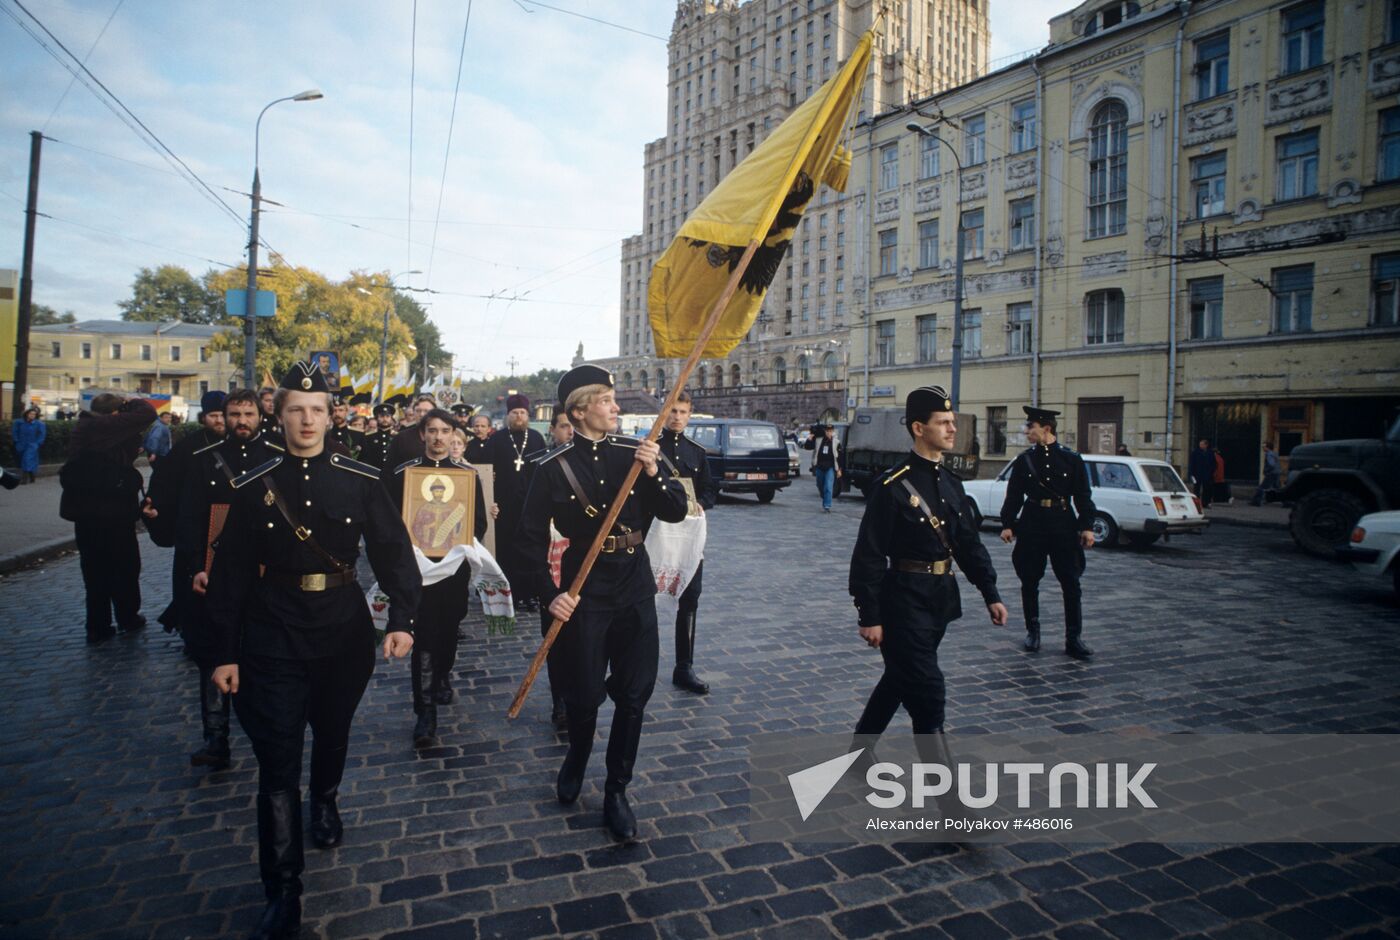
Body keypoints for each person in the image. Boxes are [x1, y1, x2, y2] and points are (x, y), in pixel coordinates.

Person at [205, 362, 420, 940]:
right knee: (276, 759)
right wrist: (223, 653)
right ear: (279, 415)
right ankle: (283, 890)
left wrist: (402, 619)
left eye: (316, 409)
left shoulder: (360, 477)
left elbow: (393, 551)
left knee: (331, 730)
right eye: (295, 409)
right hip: (271, 630)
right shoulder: (254, 485)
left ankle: (324, 800)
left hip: (341, 630)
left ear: (331, 416)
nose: (306, 419)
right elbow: (228, 576)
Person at [518, 366, 688, 840]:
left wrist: (654, 472)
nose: (617, 407)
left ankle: (617, 789)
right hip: (583, 590)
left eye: (615, 400)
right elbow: (528, 542)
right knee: (585, 691)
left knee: (634, 693)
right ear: (579, 411)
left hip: (633, 585)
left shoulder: (637, 455)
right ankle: (577, 754)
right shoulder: (552, 467)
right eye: (607, 400)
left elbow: (675, 510)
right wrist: (550, 597)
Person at [849, 386, 1006, 770]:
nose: (953, 429)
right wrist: (869, 615)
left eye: (953, 422)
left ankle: (858, 755)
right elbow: (868, 555)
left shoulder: (951, 482)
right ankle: (952, 809)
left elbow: (968, 544)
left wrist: (990, 592)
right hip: (901, 603)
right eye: (944, 423)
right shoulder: (892, 487)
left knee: (900, 679)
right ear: (919, 427)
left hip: (939, 601)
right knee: (928, 694)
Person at [142, 391, 237, 771]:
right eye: (216, 415)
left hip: (249, 567)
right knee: (209, 648)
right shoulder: (189, 453)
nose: (224, 421)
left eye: (229, 414)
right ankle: (215, 735)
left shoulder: (262, 452)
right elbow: (165, 498)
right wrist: (154, 515)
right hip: (199, 557)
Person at [387, 410, 489, 747]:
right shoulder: (404, 474)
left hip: (453, 570)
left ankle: (443, 674)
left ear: (453, 436)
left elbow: (478, 526)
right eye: (432, 431)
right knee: (425, 638)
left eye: (445, 431)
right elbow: (389, 523)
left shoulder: (466, 476)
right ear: (422, 435)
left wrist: (454, 536)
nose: (438, 437)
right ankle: (425, 713)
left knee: (447, 631)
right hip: (418, 570)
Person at [999, 406, 1097, 659]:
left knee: (1071, 582)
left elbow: (1083, 495)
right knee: (1029, 580)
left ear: (1046, 428)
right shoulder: (1024, 460)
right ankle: (1033, 632)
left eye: (1030, 427)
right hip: (1032, 523)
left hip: (1063, 523)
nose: (1027, 431)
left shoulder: (1071, 459)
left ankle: (1073, 638)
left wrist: (1086, 526)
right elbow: (1014, 494)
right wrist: (1008, 523)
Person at [60, 393, 156, 643]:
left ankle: (98, 625)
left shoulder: (86, 426)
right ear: (115, 413)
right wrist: (130, 400)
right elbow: (148, 412)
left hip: (86, 513)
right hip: (112, 511)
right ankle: (127, 617)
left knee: (94, 571)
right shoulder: (104, 425)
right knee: (124, 566)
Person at [657, 391, 717, 694]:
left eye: (682, 412)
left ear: (690, 415)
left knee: (690, 598)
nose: (676, 417)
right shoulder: (650, 448)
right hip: (656, 534)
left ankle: (684, 666)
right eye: (672, 411)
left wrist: (702, 504)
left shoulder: (697, 452)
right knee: (640, 599)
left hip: (689, 535)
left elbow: (709, 489)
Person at [487, 393, 547, 612]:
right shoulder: (497, 439)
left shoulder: (537, 438)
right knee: (507, 550)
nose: (519, 416)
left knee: (530, 551)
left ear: (527, 415)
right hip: (504, 506)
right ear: (508, 415)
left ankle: (531, 594)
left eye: (522, 413)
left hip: (531, 504)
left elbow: (543, 471)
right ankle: (510, 593)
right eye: (515, 413)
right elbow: (488, 472)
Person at [385, 394, 437, 469]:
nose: (422, 414)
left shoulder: (442, 436)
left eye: (426, 411)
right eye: (418, 411)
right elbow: (390, 467)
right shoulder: (402, 438)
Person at [804, 422, 842, 512]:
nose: (829, 432)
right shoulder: (818, 440)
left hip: (830, 467)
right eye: (827, 431)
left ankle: (827, 506)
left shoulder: (836, 442)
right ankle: (823, 495)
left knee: (828, 487)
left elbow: (840, 457)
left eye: (830, 431)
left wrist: (839, 469)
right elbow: (807, 447)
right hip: (819, 467)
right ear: (825, 431)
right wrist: (809, 439)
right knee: (820, 485)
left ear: (833, 431)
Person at [12, 406, 45, 484]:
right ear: (27, 414)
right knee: (24, 461)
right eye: (31, 414)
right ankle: (32, 475)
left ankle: (24, 479)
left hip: (32, 444)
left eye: (34, 414)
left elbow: (41, 434)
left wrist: (37, 443)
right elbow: (15, 432)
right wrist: (16, 440)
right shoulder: (19, 422)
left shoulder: (39, 424)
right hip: (21, 444)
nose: (32, 415)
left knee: (27, 459)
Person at [361, 403, 398, 470]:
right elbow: (365, 457)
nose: (385, 419)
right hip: (373, 473)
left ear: (391, 418)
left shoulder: (397, 437)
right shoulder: (369, 437)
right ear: (377, 418)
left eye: (387, 416)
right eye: (382, 416)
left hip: (391, 473)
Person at [1251, 441, 1281, 507]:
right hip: (1277, 472)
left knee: (1262, 487)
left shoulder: (1269, 454)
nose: (1263, 448)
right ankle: (1288, 502)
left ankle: (1256, 501)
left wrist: (1266, 470)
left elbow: (1271, 464)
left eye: (1264, 447)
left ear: (1268, 447)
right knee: (1277, 488)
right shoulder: (1274, 453)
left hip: (1271, 473)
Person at [1188, 438, 1215, 509]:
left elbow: (1213, 463)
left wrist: (1211, 471)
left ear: (1206, 445)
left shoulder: (1210, 453)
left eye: (1202, 444)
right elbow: (1192, 464)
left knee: (1207, 489)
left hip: (1207, 474)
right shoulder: (1195, 452)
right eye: (1200, 444)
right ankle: (1196, 503)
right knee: (1196, 489)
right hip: (1197, 474)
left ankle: (1205, 503)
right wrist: (1191, 473)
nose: (1201, 445)